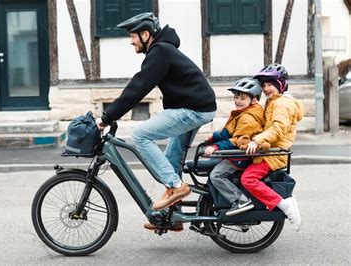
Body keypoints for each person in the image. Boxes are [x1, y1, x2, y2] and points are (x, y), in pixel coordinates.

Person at [95, 12, 217, 230]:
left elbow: (138, 88)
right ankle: (174, 217)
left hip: (194, 110)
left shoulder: (160, 51)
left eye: (132, 36)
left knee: (141, 135)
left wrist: (107, 117)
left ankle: (176, 187)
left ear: (145, 34)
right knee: (171, 160)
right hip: (197, 107)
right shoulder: (162, 50)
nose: (131, 41)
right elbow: (139, 86)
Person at [241, 63, 303, 231]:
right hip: (268, 150)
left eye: (270, 84)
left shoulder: (282, 105)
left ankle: (285, 205)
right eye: (264, 85)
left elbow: (277, 128)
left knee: (248, 179)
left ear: (280, 84)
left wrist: (256, 141)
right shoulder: (273, 101)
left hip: (273, 154)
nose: (266, 88)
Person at [204, 78, 265, 216]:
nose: (238, 101)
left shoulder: (248, 118)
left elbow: (238, 140)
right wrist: (214, 137)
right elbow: (228, 132)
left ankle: (241, 200)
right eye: (236, 97)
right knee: (210, 167)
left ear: (253, 100)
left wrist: (216, 146)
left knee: (216, 175)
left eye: (242, 98)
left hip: (240, 156)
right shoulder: (242, 113)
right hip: (235, 154)